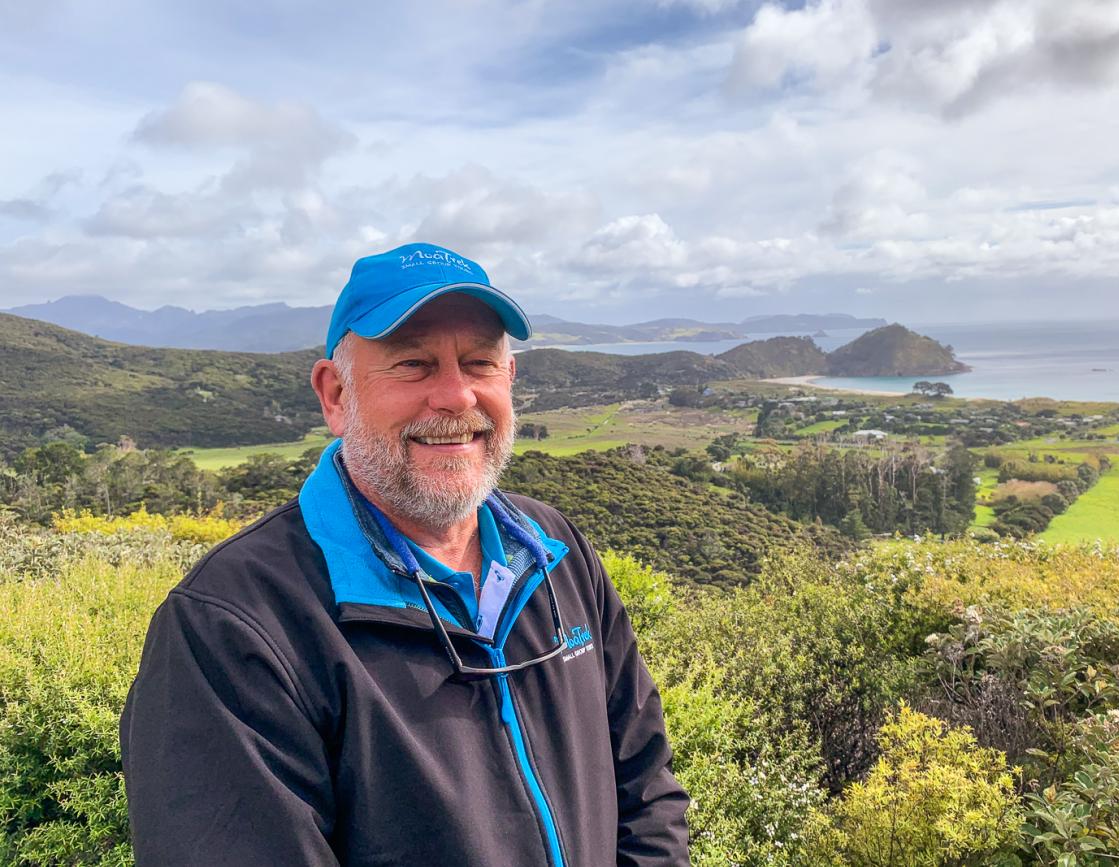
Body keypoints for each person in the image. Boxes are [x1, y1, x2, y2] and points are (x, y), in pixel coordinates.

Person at [120, 242, 691, 866]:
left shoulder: (554, 551)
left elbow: (646, 787)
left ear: (510, 381)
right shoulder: (232, 623)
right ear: (336, 394)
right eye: (414, 364)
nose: (457, 397)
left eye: (479, 363)